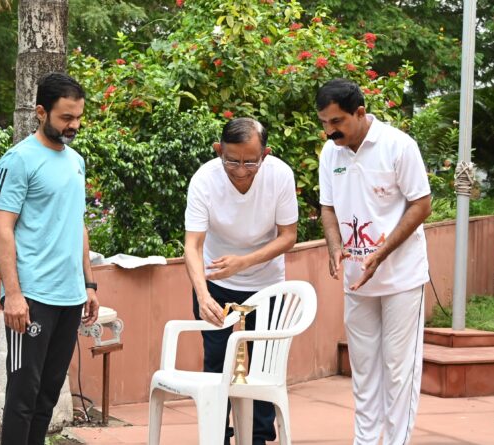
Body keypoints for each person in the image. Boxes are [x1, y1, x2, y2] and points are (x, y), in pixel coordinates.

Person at [316, 78, 432, 445]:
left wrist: (381, 254)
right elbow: (329, 207)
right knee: (364, 370)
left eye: (336, 122)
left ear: (360, 113)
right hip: (357, 281)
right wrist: (334, 246)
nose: (329, 131)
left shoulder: (398, 146)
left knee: (399, 370)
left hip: (401, 277)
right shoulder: (330, 154)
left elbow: (422, 204)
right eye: (323, 122)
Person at [0, 72, 99, 445]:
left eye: (79, 117)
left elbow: (77, 223)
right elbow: (2, 228)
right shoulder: (18, 159)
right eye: (66, 118)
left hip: (70, 297)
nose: (74, 126)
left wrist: (88, 283)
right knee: (23, 397)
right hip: (32, 298)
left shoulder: (76, 161)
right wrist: (14, 295)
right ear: (41, 112)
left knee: (47, 397)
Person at [184, 117, 299, 445]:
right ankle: (216, 435)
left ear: (266, 153)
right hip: (216, 283)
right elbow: (192, 244)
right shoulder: (205, 179)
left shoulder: (280, 175)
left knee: (260, 366)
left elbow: (288, 236)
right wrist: (202, 293)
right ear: (219, 150)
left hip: (266, 282)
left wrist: (244, 262)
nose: (241, 169)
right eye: (231, 160)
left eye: (251, 161)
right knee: (217, 362)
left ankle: (258, 438)